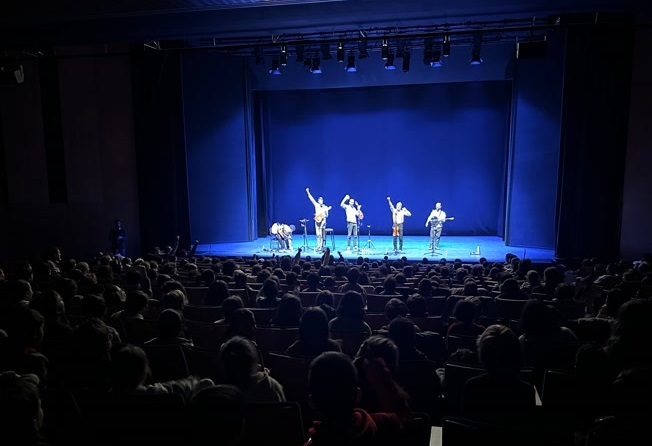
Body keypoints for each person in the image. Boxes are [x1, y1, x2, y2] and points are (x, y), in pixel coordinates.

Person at [306, 188, 332, 252]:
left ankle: (322, 245)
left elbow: (327, 215)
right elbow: (311, 199)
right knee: (318, 234)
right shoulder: (316, 205)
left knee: (322, 233)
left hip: (323, 221)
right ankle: (318, 245)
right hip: (317, 221)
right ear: (318, 201)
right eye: (320, 200)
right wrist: (308, 192)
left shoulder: (325, 207)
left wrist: (324, 214)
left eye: (322, 200)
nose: (321, 201)